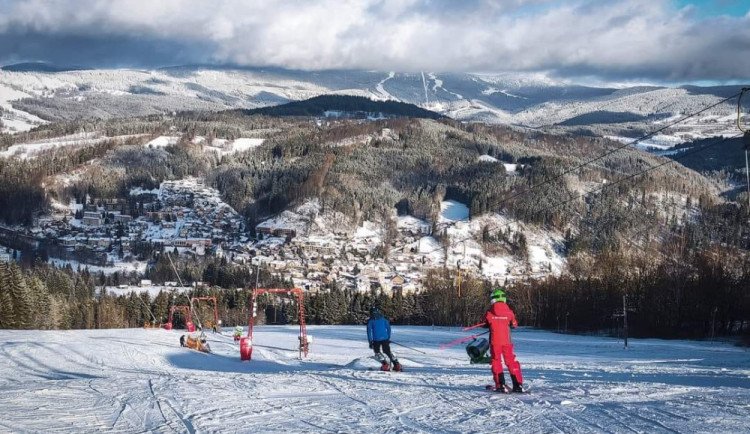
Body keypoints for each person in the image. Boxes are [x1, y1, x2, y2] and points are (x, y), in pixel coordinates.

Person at [482, 288, 524, 393]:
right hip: (507, 342)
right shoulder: (509, 312)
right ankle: (517, 384)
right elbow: (514, 324)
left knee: (496, 362)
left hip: (495, 342)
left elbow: (484, 323)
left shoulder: (489, 312)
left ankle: (500, 385)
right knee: (511, 361)